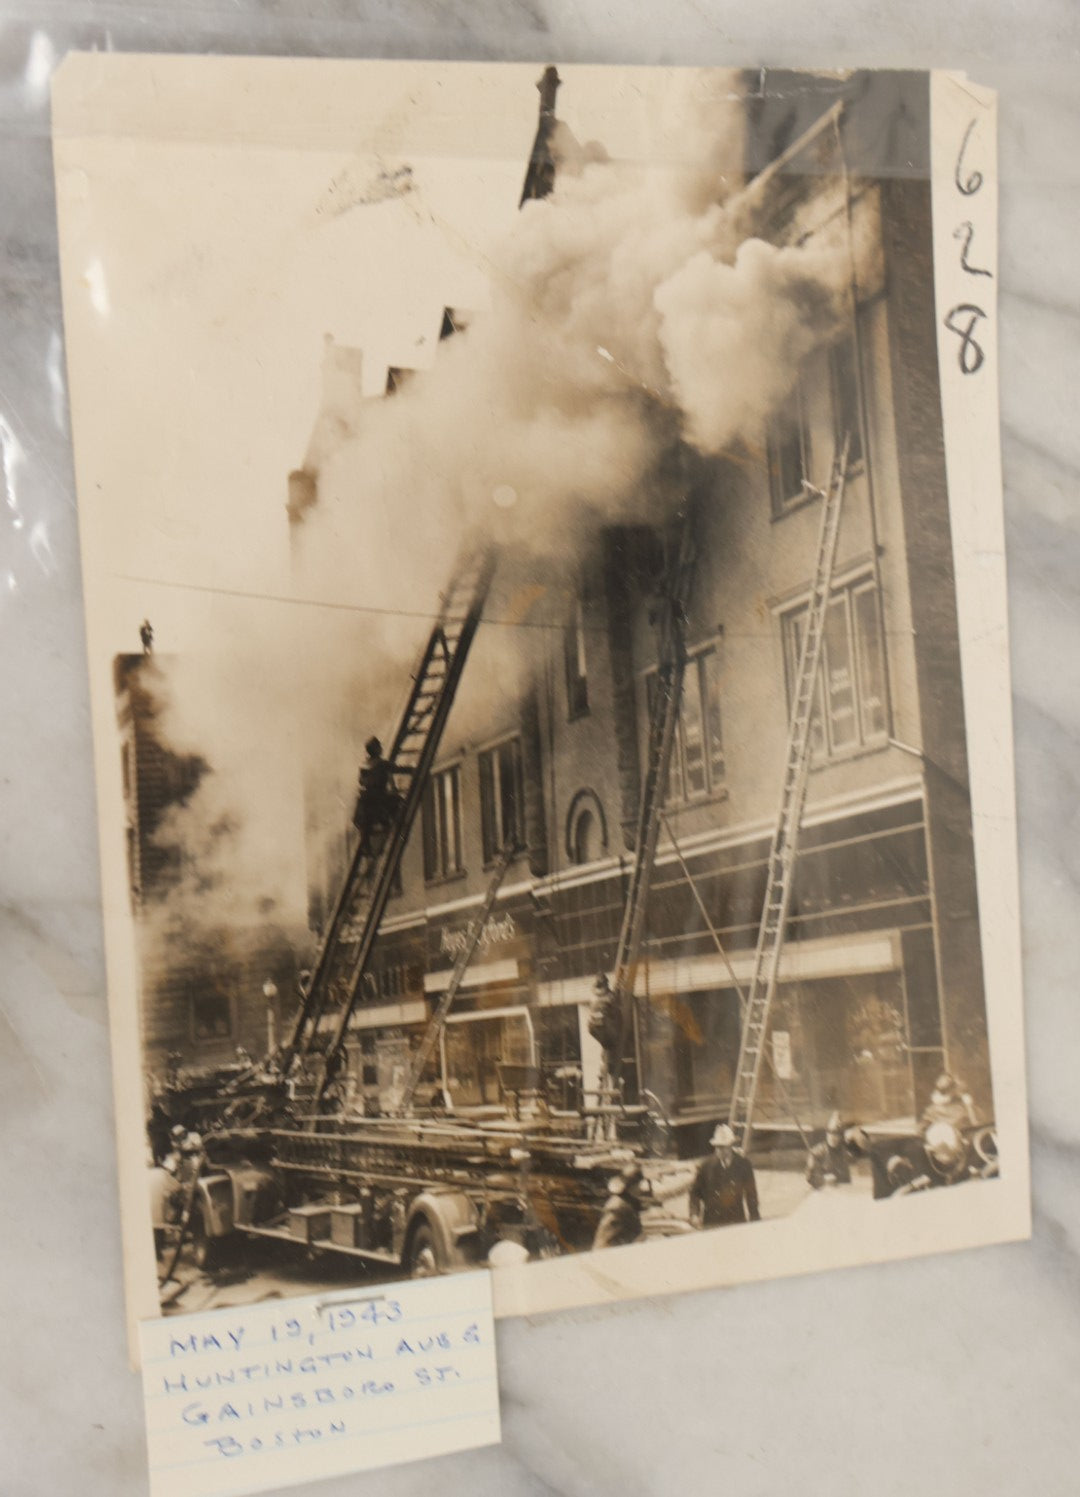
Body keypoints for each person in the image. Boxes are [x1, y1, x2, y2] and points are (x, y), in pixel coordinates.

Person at [689, 1123, 760, 1228]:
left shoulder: (744, 1165)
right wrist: (694, 1214)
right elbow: (695, 1193)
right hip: (712, 1223)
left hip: (736, 1222)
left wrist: (755, 1220)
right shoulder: (706, 1166)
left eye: (723, 1147)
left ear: (730, 1146)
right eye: (717, 1147)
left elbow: (751, 1195)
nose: (719, 1150)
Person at [352, 736, 396, 857]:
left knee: (365, 826)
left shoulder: (363, 765)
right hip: (378, 801)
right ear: (376, 749)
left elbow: (361, 781)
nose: (381, 748)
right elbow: (397, 769)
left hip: (365, 801)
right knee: (399, 804)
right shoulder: (382, 764)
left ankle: (368, 849)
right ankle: (385, 839)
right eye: (379, 746)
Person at [593, 1163, 651, 1251]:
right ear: (634, 1186)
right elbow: (604, 1240)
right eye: (639, 1184)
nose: (641, 1189)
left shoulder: (627, 1202)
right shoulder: (618, 1207)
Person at [806, 1111, 853, 1190]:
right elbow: (810, 1177)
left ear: (840, 1137)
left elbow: (846, 1180)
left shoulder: (844, 1153)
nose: (832, 1137)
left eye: (836, 1134)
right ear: (827, 1134)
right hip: (820, 1191)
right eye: (830, 1133)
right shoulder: (817, 1152)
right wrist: (824, 1179)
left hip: (839, 1192)